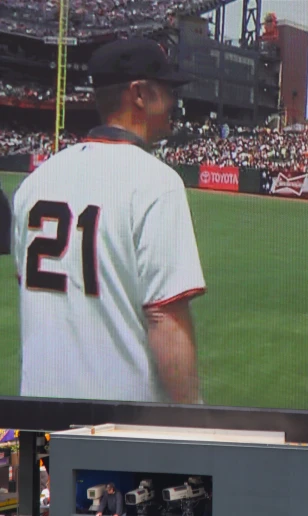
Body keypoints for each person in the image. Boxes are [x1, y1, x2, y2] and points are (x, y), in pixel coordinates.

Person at [11, 38, 206, 404]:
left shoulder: (35, 182)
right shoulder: (157, 183)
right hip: (116, 434)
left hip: (37, 422)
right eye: (166, 90)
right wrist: (193, 424)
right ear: (139, 95)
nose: (174, 102)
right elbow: (165, 321)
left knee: (37, 465)